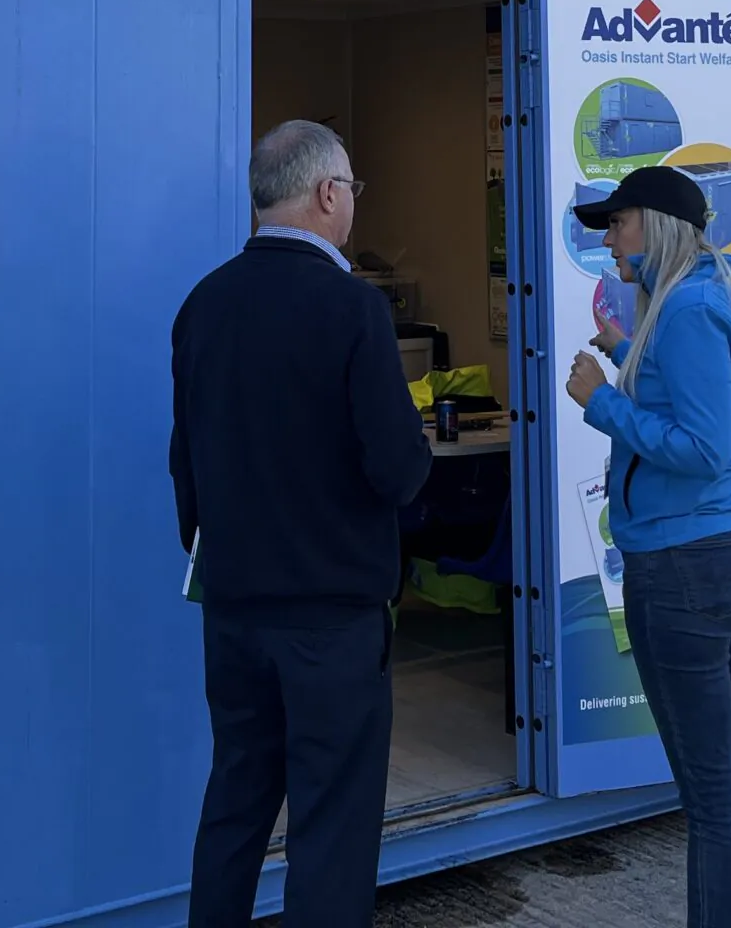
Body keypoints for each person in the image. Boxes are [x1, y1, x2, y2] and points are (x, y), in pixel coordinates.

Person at [171, 120, 433, 928]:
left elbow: (186, 461)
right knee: (332, 823)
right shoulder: (353, 308)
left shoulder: (203, 303)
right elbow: (395, 468)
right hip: (331, 617)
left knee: (236, 802)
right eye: (352, 188)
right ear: (327, 194)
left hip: (234, 606)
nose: (352, 202)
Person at [563, 164, 731, 928]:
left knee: (713, 793)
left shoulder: (690, 307)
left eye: (618, 222)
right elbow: (701, 404)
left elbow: (698, 448)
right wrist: (629, 352)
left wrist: (601, 400)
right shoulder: (693, 298)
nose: (608, 238)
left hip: (687, 568)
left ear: (656, 226)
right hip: (724, 553)